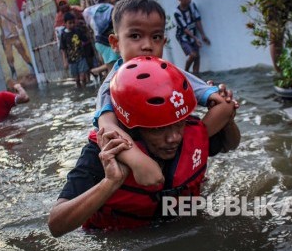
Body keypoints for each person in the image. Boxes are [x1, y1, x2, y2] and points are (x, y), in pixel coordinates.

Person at [48, 56, 240, 235]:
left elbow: (228, 145)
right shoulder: (105, 152)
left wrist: (228, 117)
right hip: (121, 240)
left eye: (179, 123)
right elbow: (56, 225)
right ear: (131, 127)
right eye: (158, 129)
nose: (174, 137)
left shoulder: (188, 128)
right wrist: (110, 182)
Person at [94, 0, 239, 187]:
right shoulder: (112, 84)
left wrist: (191, 144)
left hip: (177, 152)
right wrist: (136, 160)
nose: (147, 46)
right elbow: (106, 126)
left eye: (155, 37)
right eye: (135, 36)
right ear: (114, 43)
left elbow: (220, 104)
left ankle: (185, 162)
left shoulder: (172, 75)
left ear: (163, 41)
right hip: (140, 157)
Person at [0, 0, 34, 80]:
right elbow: (1, 29)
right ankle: (13, 72)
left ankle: (31, 66)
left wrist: (17, 26)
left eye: (2, 5)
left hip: (15, 36)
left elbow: (19, 24)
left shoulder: (12, 14)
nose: (1, 7)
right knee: (9, 56)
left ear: (5, 5)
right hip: (6, 40)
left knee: (22, 52)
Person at [83, 0, 119, 77]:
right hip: (108, 42)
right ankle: (110, 86)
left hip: (99, 42)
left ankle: (98, 71)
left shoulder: (92, 9)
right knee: (113, 71)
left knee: (113, 66)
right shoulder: (110, 8)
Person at [173, 0, 211, 75]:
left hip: (193, 35)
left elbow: (198, 20)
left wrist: (203, 35)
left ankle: (196, 77)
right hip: (183, 37)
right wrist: (196, 39)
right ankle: (185, 73)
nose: (189, 0)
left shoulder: (192, 6)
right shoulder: (177, 13)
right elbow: (185, 29)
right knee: (193, 55)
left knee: (197, 57)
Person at [60, 12, 90, 88]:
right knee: (76, 79)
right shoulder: (63, 35)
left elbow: (86, 39)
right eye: (70, 23)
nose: (72, 25)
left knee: (82, 77)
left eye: (73, 23)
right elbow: (63, 49)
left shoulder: (77, 31)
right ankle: (79, 89)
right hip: (71, 60)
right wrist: (65, 61)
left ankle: (84, 89)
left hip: (81, 57)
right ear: (65, 23)